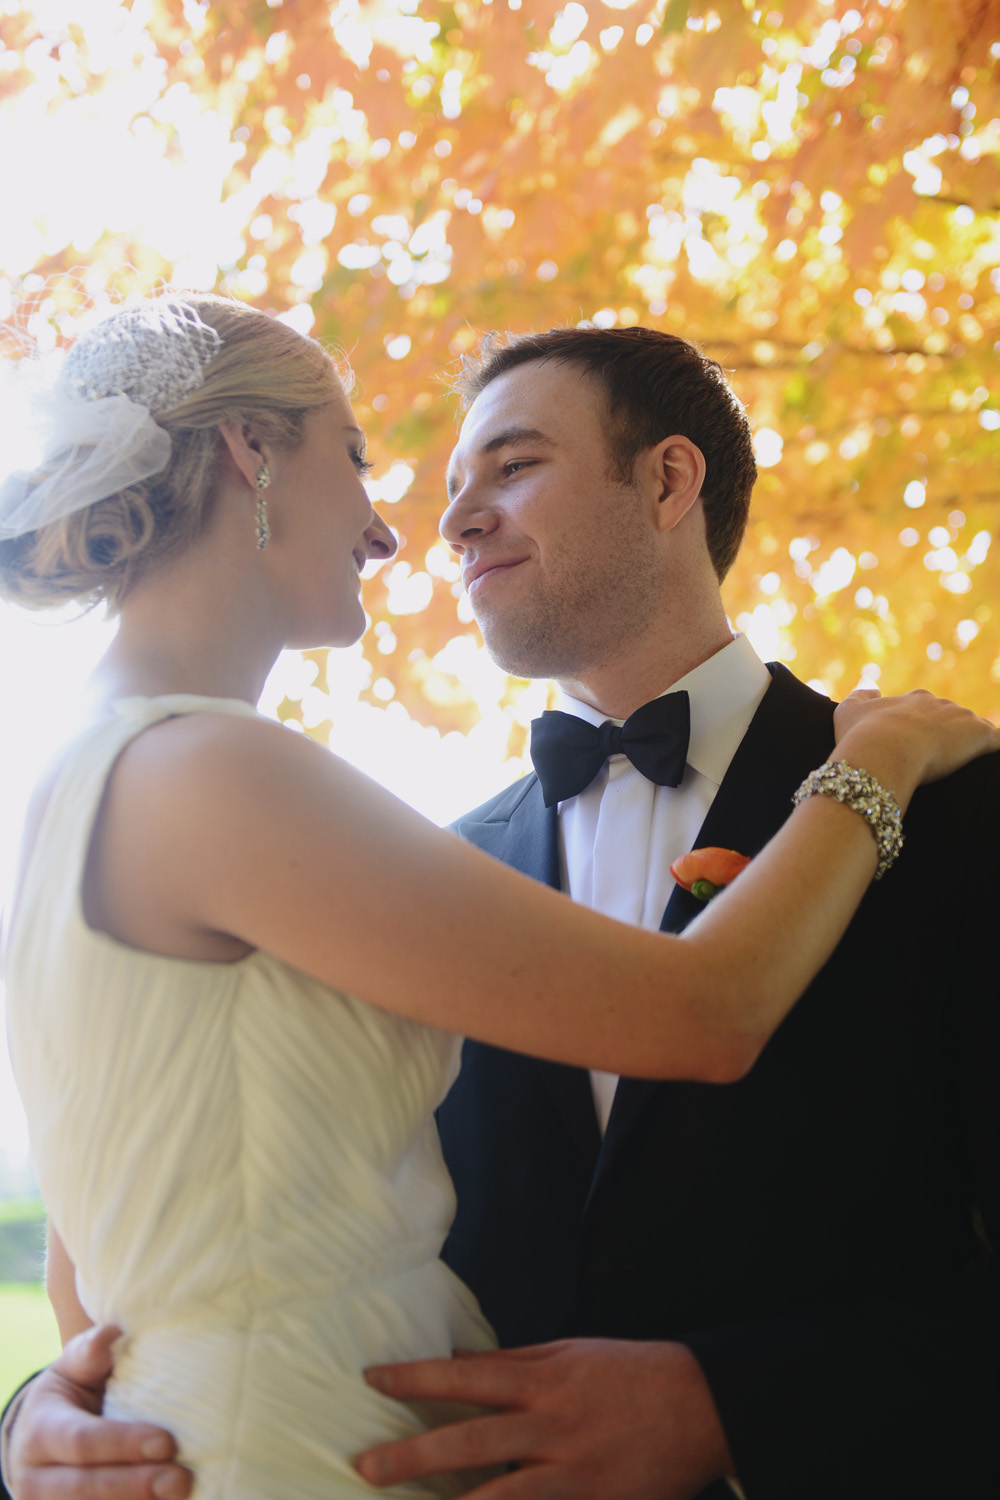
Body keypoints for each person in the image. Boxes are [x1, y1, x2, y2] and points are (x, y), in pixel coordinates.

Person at [0, 304, 995, 1500]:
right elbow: (126, 1247)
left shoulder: (964, 815)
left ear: (670, 480)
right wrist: (43, 1416)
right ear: (246, 458)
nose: (425, 522)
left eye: (514, 466)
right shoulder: (389, 852)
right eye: (374, 461)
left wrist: (740, 1410)